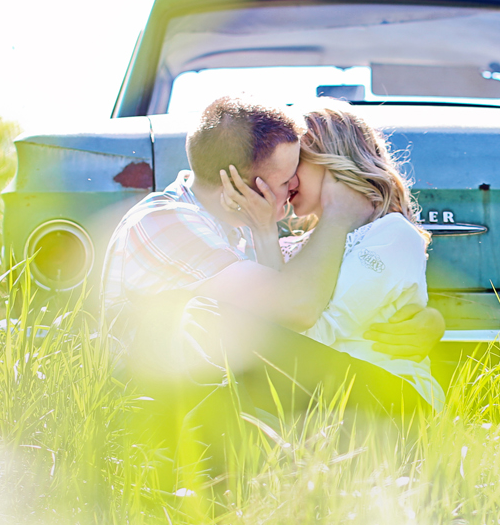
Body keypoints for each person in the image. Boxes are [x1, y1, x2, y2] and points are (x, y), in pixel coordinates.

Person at [100, 95, 445, 418]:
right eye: (286, 175)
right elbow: (291, 313)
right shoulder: (168, 224)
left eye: (299, 166)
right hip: (157, 408)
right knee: (203, 316)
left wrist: (431, 320)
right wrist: (335, 217)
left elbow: (290, 317)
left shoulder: (247, 231)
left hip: (346, 403)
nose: (292, 183)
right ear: (241, 180)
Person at [222, 103, 444, 409]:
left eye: (296, 162)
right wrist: (264, 232)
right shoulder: (303, 245)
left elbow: (308, 335)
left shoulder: (392, 235)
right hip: (326, 396)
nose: (285, 178)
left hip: (393, 401)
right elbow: (279, 320)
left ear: (333, 162)